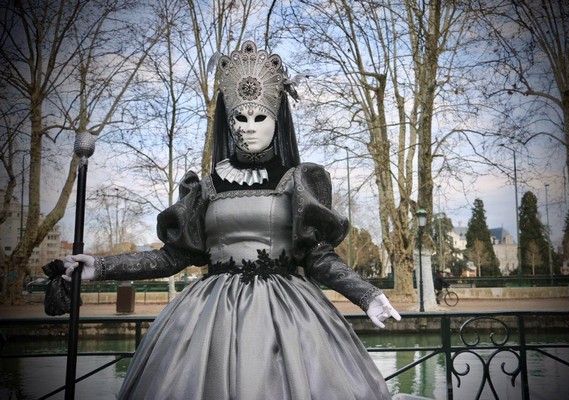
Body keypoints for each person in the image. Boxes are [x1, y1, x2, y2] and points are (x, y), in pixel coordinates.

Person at [64, 40, 400, 400]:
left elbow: (318, 257)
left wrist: (367, 294)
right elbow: (172, 257)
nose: (249, 127)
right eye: (240, 118)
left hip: (289, 316)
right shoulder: (206, 187)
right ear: (229, 121)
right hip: (209, 318)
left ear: (277, 120)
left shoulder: (297, 183)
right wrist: (99, 267)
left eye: (260, 118)